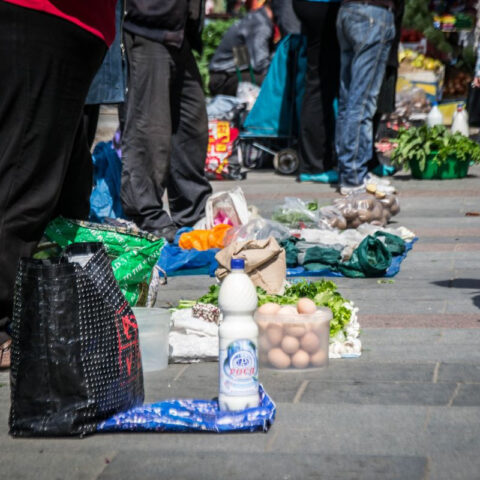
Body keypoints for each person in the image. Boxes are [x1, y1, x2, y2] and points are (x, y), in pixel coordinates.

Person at [0, 0, 116, 368]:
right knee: (26, 177)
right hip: (47, 15)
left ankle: (48, 314)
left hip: (70, 25)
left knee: (67, 188)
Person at [121, 0, 212, 243]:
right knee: (150, 130)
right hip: (149, 27)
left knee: (192, 127)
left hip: (180, 32)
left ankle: (193, 215)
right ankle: (146, 217)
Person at [335, 0, 395, 195]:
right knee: (362, 102)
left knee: (348, 100)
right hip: (372, 13)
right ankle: (354, 176)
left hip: (348, 11)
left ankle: (349, 171)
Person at [293, 0, 341, 183]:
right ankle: (314, 165)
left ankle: (319, 161)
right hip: (321, 6)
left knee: (322, 84)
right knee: (319, 83)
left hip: (314, 6)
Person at [368, 0, 405, 177]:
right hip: (379, 45)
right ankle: (366, 162)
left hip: (386, 47)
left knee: (375, 109)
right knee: (369, 108)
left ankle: (368, 159)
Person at [208, 2, 275, 96]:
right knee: (275, 84)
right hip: (224, 79)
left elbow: (243, 59)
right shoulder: (260, 24)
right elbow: (261, 65)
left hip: (230, 74)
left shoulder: (256, 18)